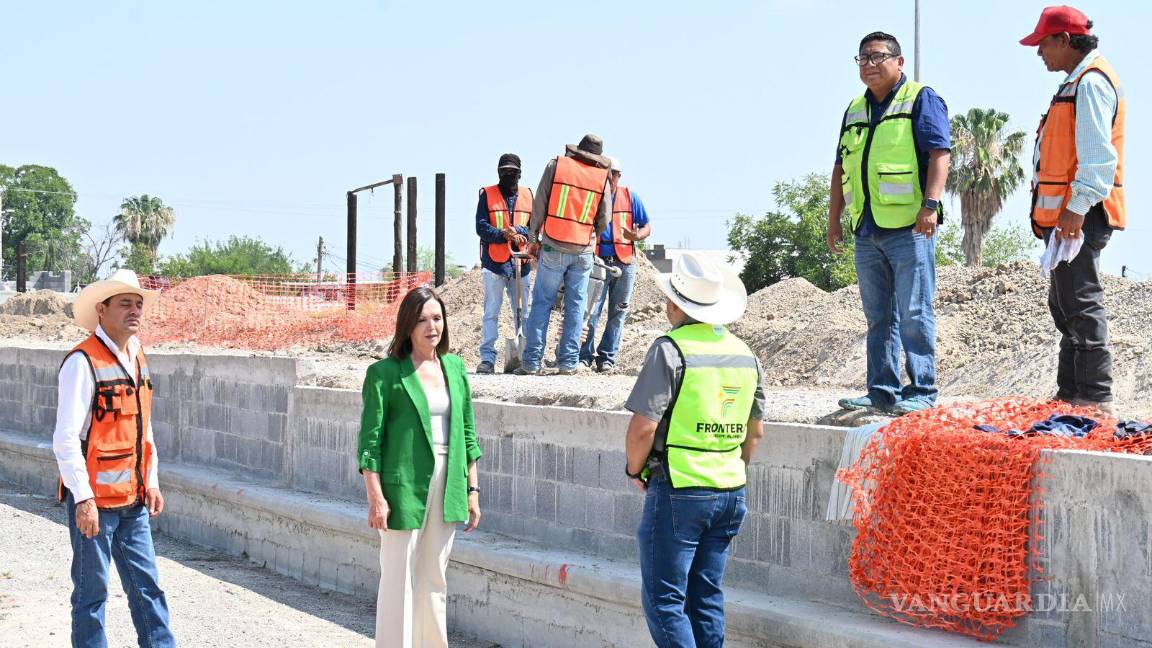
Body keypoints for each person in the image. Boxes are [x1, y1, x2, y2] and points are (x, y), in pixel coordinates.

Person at [623, 253, 765, 647]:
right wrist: (730, 468)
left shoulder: (670, 349)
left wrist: (636, 471)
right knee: (705, 597)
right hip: (730, 490)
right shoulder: (746, 354)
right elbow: (755, 434)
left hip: (681, 489)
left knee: (666, 601)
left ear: (674, 304)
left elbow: (642, 429)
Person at [827, 31, 951, 415]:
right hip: (866, 229)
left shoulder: (920, 99)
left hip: (910, 228)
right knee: (878, 315)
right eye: (862, 58)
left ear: (899, 62)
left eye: (877, 57)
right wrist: (834, 218)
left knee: (914, 311)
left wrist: (930, 205)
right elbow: (839, 167)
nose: (869, 65)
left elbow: (939, 154)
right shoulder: (854, 109)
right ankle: (881, 390)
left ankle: (923, 391)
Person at [52, 268, 176, 648]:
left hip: (134, 500)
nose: (134, 310)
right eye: (125, 303)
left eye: (138, 304)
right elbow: (65, 438)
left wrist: (151, 480)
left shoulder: (139, 357)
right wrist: (84, 499)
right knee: (92, 595)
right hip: (95, 505)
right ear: (101, 310)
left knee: (149, 587)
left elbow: (145, 428)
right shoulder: (82, 361)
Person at [357, 287, 483, 648]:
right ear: (408, 326)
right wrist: (376, 497)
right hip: (402, 488)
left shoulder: (455, 368)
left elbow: (468, 434)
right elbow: (370, 443)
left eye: (438, 318)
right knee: (399, 580)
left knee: (434, 579)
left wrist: (472, 490)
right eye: (423, 319)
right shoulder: (384, 374)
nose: (432, 327)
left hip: (449, 483)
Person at [1021, 6, 1125, 416]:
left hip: (1082, 214)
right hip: (1068, 215)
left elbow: (1100, 158)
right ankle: (1070, 393)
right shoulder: (1076, 81)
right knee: (1064, 303)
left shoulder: (1091, 83)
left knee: (1081, 302)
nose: (1039, 52)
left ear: (1064, 40)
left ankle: (1095, 397)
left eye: (1043, 43)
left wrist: (1076, 209)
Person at [515, 133, 612, 375]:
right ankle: (568, 362)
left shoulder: (557, 166)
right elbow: (605, 219)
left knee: (542, 303)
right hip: (583, 251)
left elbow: (540, 203)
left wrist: (534, 236)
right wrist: (590, 235)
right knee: (576, 305)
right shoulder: (603, 179)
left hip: (554, 245)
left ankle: (532, 362)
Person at [580, 155, 652, 372]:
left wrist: (636, 235)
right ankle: (584, 356)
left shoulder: (631, 197)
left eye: (613, 175)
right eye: (606, 175)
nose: (610, 179)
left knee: (618, 313)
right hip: (598, 262)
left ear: (619, 176)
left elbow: (647, 226)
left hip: (625, 262)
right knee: (590, 311)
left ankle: (607, 358)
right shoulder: (592, 197)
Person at [475, 153, 533, 374]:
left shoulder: (528, 195)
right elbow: (481, 227)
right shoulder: (487, 195)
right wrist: (503, 235)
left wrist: (518, 232)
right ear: (498, 172)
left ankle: (525, 356)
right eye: (504, 171)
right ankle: (487, 359)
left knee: (524, 313)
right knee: (491, 312)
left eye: (512, 172)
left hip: (521, 264)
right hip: (495, 265)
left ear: (520, 173)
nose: (508, 175)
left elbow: (536, 227)